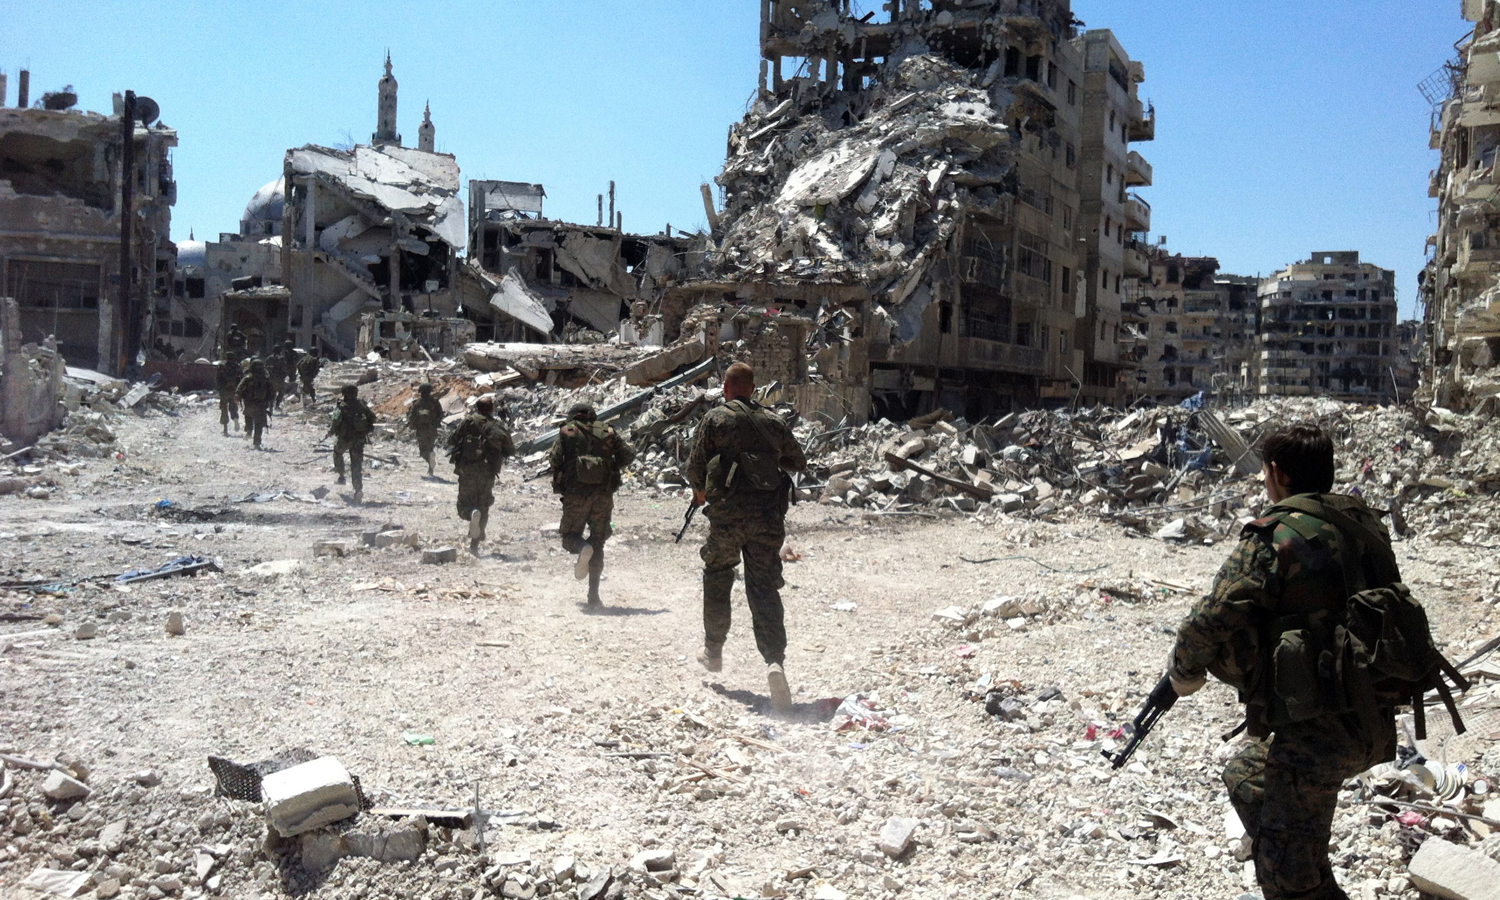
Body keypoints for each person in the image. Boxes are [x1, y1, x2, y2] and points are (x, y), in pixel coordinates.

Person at [1166, 424, 1400, 900]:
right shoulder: (1365, 525)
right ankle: (1306, 865)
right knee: (1247, 773)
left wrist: (1184, 673)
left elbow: (1211, 618)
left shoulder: (1275, 535)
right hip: (1373, 720)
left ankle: (1299, 871)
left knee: (1282, 876)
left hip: (1317, 731)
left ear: (1275, 473)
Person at [685, 362, 807, 712]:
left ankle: (713, 649)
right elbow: (798, 462)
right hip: (767, 519)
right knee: (764, 586)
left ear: (726, 388)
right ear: (753, 389)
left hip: (727, 518)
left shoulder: (716, 420)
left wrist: (701, 491)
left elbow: (695, 468)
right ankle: (774, 663)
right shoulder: (773, 422)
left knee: (718, 574)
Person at [549, 402, 637, 607]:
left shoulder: (567, 431)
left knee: (570, 536)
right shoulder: (607, 431)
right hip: (603, 494)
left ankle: (582, 547)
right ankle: (594, 596)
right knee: (598, 542)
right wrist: (608, 465)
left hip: (576, 495)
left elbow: (554, 459)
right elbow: (628, 455)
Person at [447, 397, 514, 555]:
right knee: (483, 506)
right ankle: (474, 546)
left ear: (477, 408)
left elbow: (452, 440)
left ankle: (470, 514)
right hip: (487, 472)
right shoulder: (499, 426)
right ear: (492, 409)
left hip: (467, 470)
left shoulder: (468, 422)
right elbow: (510, 449)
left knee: (463, 505)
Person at [329, 384, 376, 503]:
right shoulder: (361, 405)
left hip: (344, 439)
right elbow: (372, 418)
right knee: (356, 465)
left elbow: (336, 421)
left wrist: (331, 432)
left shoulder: (342, 406)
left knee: (337, 453)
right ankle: (358, 489)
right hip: (359, 439)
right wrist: (367, 429)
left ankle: (341, 475)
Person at [406, 383, 446, 477]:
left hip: (421, 430)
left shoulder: (417, 403)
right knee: (430, 447)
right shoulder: (435, 402)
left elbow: (411, 416)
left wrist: (411, 425)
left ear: (420, 392)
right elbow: (440, 414)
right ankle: (430, 467)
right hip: (432, 430)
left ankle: (429, 460)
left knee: (422, 450)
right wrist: (435, 421)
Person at [236, 359, 275, 450]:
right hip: (261, 404)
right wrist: (270, 403)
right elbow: (272, 392)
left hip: (249, 402)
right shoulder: (266, 379)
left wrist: (237, 396)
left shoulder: (248, 377)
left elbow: (239, 388)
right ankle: (257, 442)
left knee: (248, 416)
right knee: (259, 423)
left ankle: (249, 430)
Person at [215, 343, 244, 436]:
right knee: (233, 407)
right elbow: (241, 379)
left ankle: (225, 429)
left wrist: (219, 389)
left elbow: (218, 379)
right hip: (234, 391)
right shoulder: (237, 367)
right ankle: (235, 420)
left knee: (224, 409)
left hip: (224, 391)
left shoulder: (222, 366)